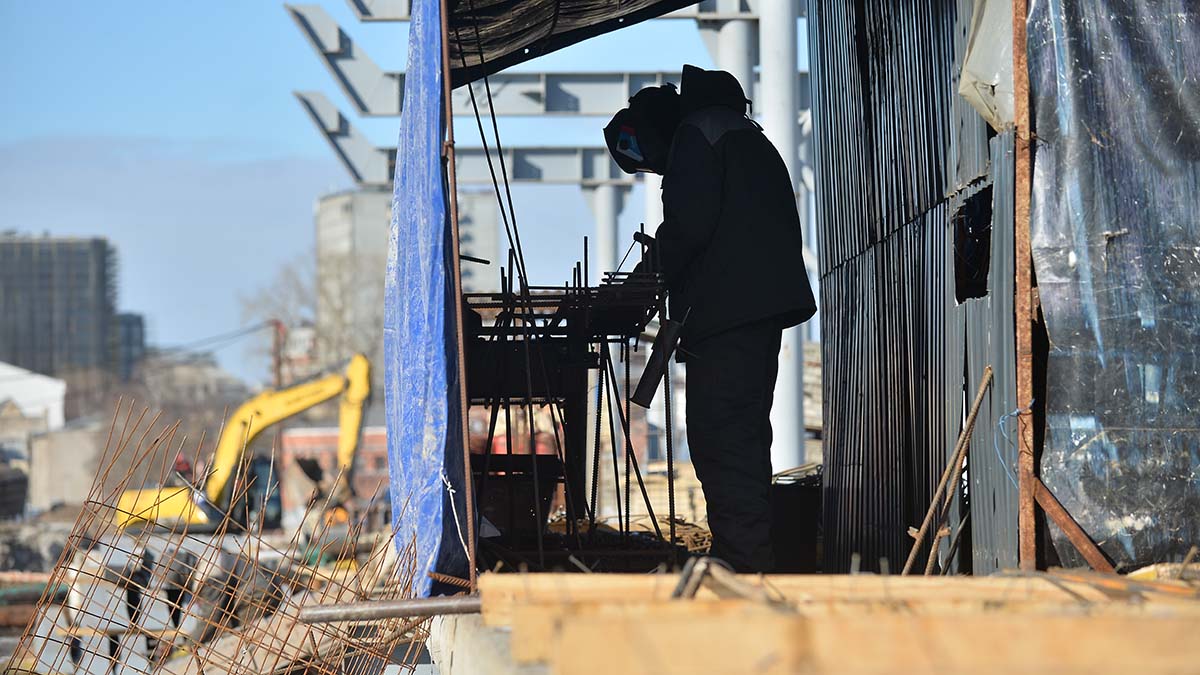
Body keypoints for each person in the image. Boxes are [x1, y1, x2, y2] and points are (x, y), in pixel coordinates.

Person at [605, 65, 816, 572]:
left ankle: (743, 570)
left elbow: (688, 227)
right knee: (739, 438)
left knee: (723, 440)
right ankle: (744, 559)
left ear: (653, 130)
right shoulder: (729, 129)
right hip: (747, 315)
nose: (656, 171)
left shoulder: (697, 136)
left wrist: (638, 285)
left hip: (727, 318)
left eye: (649, 162)